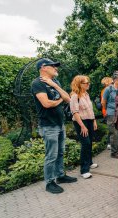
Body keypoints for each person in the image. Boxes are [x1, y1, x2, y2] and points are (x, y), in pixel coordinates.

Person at [31, 58, 77, 194]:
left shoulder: (55, 81)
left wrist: (55, 86)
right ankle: (49, 182)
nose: (55, 68)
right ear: (43, 67)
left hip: (59, 123)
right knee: (51, 155)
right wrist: (59, 100)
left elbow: (68, 99)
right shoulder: (37, 83)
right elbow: (46, 103)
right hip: (48, 125)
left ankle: (60, 176)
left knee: (60, 152)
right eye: (53, 66)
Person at [70, 75, 98, 179]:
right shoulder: (74, 96)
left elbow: (90, 109)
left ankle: (90, 162)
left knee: (90, 142)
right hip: (81, 122)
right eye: (86, 83)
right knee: (85, 143)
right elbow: (75, 113)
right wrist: (82, 126)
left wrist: (94, 121)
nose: (88, 84)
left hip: (90, 120)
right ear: (79, 84)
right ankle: (84, 170)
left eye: (88, 83)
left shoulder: (86, 94)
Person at [102, 72, 118, 159]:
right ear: (115, 80)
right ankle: (114, 152)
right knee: (114, 133)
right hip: (111, 114)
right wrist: (107, 111)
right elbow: (103, 102)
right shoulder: (108, 89)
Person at [100, 77, 113, 150]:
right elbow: (104, 102)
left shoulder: (105, 90)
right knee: (111, 128)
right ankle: (109, 143)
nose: (112, 82)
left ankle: (110, 143)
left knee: (111, 128)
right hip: (107, 111)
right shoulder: (106, 90)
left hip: (106, 111)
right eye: (111, 82)